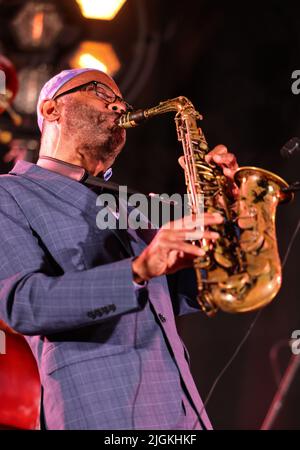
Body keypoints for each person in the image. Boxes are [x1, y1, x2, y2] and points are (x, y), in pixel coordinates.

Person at [0, 68, 238, 430]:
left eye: (122, 100)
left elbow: (197, 292)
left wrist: (228, 212)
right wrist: (139, 269)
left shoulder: (134, 206)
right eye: (99, 90)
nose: (118, 104)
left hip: (184, 413)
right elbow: (24, 304)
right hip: (100, 411)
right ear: (51, 110)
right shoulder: (10, 192)